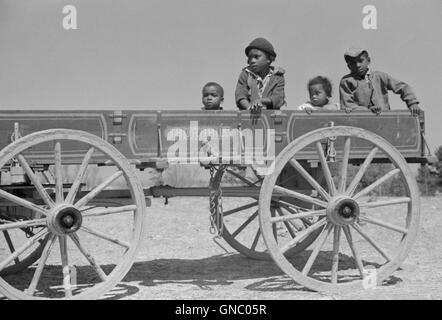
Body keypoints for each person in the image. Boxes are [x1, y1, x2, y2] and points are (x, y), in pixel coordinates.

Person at [339, 48, 421, 116]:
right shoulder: (346, 81)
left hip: (384, 118)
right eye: (353, 63)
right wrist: (367, 111)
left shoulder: (380, 76)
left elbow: (403, 87)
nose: (357, 65)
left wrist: (412, 103)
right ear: (348, 66)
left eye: (360, 61)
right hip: (360, 120)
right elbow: (347, 104)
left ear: (368, 60)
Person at [235, 37, 286, 112]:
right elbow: (240, 96)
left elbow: (278, 98)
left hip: (270, 118)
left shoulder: (277, 76)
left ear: (269, 59)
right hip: (249, 117)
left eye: (256, 57)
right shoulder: (245, 74)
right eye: (250, 58)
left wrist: (261, 101)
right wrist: (250, 108)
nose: (252, 61)